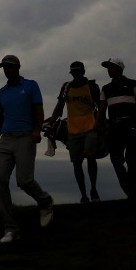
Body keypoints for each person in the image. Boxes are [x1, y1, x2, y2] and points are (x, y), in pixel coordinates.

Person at [0, 54, 54, 243]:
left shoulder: (30, 85)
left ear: (18, 67)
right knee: (0, 179)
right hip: (5, 139)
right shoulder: (2, 92)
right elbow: (0, 118)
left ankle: (45, 201)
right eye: (4, 67)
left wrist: (36, 130)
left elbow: (38, 109)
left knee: (24, 181)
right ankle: (10, 229)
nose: (7, 70)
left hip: (26, 136)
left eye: (9, 66)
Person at [97, 57, 136, 201]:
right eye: (108, 68)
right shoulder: (106, 89)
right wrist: (99, 126)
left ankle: (133, 195)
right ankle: (131, 191)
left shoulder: (132, 84)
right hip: (114, 127)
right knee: (116, 159)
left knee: (132, 159)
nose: (109, 70)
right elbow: (102, 110)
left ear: (120, 69)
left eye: (111, 67)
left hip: (131, 126)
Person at [45, 61, 101, 204]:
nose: (76, 74)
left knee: (90, 155)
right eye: (74, 72)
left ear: (82, 72)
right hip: (72, 129)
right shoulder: (66, 87)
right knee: (76, 162)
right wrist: (51, 121)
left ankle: (93, 189)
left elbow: (101, 107)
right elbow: (60, 106)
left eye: (77, 72)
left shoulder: (92, 86)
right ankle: (83, 195)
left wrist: (103, 124)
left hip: (90, 126)